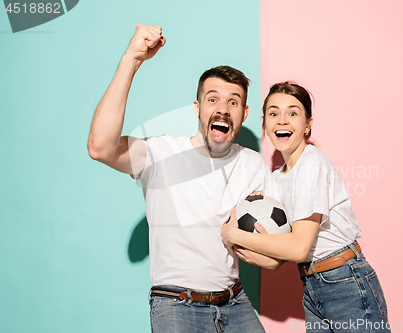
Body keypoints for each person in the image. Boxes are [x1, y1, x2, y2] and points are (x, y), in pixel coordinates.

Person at [87, 23, 278, 333]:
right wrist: (131, 60)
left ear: (244, 113)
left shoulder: (252, 163)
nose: (223, 109)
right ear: (197, 108)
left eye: (233, 102)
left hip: (236, 302)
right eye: (213, 99)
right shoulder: (162, 153)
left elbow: (269, 246)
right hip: (177, 305)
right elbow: (100, 147)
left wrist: (256, 244)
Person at [221, 82, 391, 332]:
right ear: (265, 125)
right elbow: (278, 259)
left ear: (308, 125)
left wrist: (232, 234)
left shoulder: (312, 164)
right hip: (313, 283)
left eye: (292, 113)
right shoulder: (277, 178)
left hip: (344, 280)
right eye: (274, 113)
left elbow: (299, 248)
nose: (282, 121)